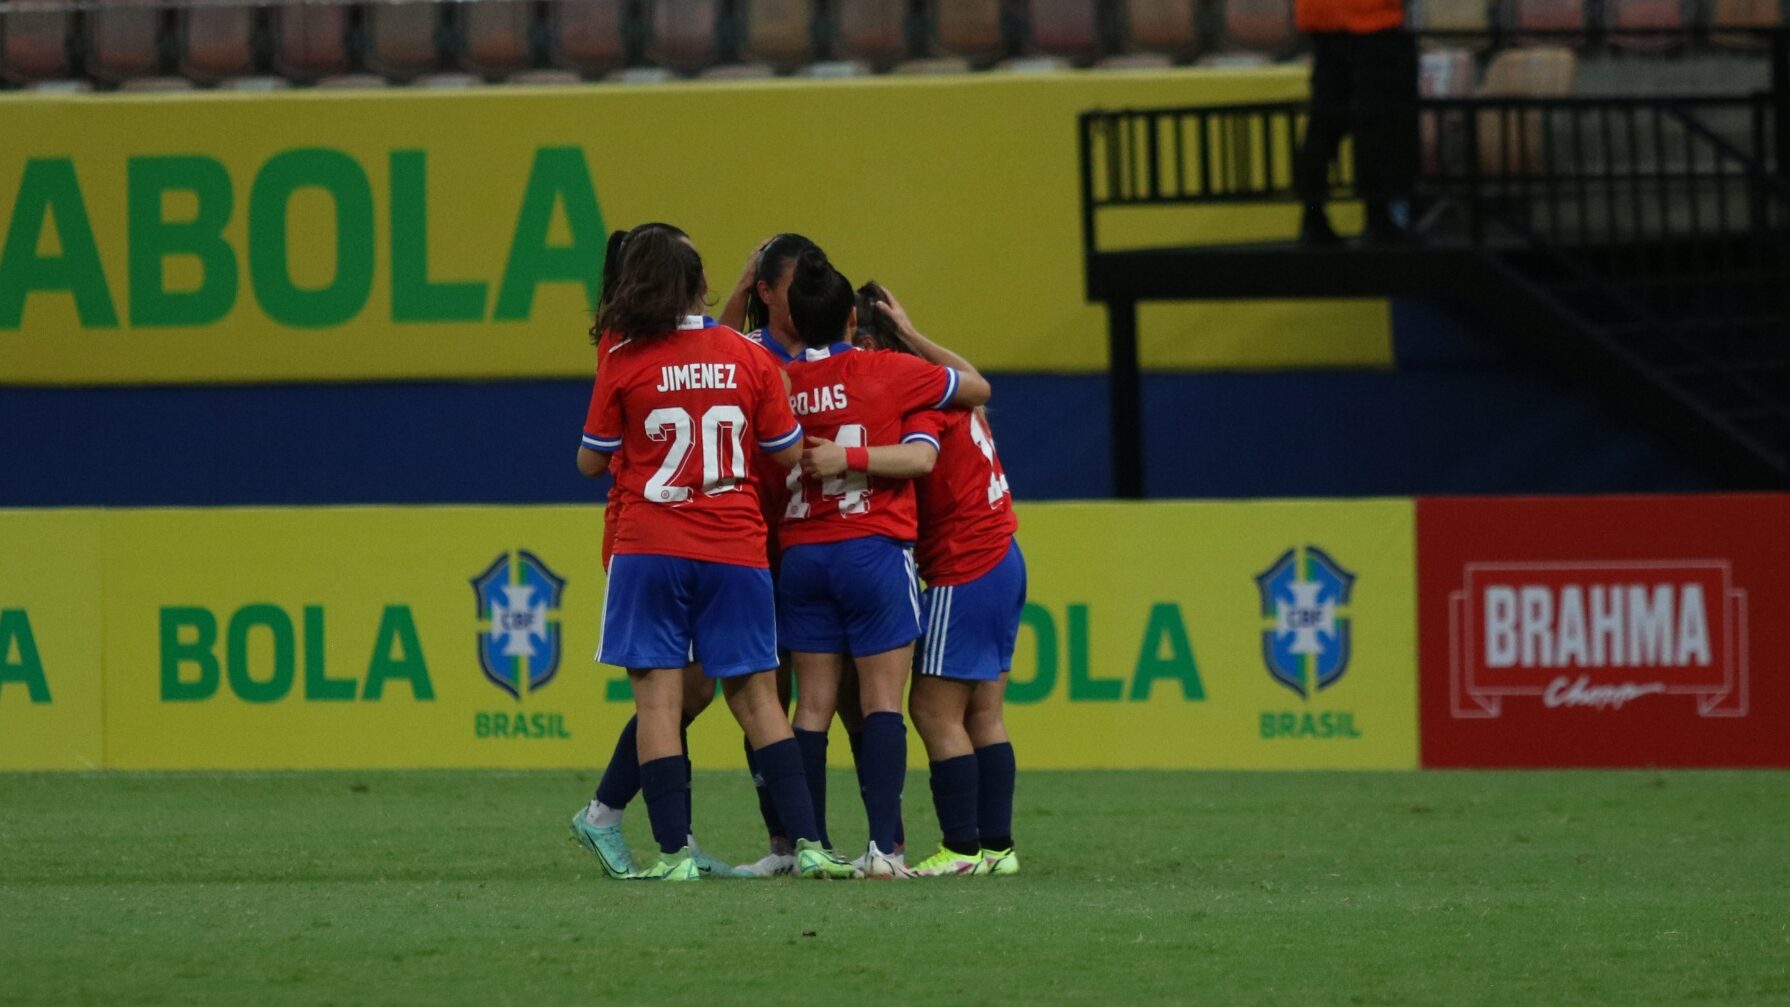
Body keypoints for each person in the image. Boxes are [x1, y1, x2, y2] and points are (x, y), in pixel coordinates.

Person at [573, 223, 856, 881]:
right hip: (734, 546)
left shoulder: (625, 358)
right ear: (702, 284)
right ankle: (809, 842)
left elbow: (592, 460)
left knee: (661, 705)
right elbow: (785, 451)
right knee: (760, 700)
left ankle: (674, 856)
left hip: (651, 545)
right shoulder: (748, 356)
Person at [776, 246, 991, 877]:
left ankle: (811, 848)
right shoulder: (889, 370)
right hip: (871, 551)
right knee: (882, 705)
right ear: (852, 320)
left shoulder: (779, 380)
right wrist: (911, 334)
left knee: (810, 707)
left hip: (802, 552)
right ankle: (880, 849)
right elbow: (977, 388)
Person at [570, 224, 741, 880]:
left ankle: (643, 824)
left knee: (687, 691)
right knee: (668, 695)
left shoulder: (646, 338)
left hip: (678, 533)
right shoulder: (629, 344)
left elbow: (706, 348)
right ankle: (647, 828)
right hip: (643, 534)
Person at [845, 282, 1023, 877]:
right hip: (1003, 554)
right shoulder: (948, 386)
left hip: (965, 564)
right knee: (983, 716)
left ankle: (962, 848)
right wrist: (914, 332)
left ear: (870, 343)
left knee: (931, 710)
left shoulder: (920, 405)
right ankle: (997, 849)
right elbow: (973, 376)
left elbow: (917, 460)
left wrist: (843, 458)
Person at [1291, 0, 1418, 245]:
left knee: (1324, 122)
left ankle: (1312, 218)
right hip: (1370, 16)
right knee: (1375, 123)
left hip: (1322, 17)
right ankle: (1378, 219)